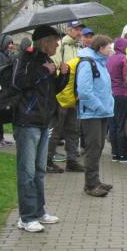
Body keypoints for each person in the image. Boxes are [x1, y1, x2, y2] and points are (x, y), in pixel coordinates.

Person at [11, 25, 69, 232]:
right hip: (27, 122)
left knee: (39, 170)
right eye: (55, 42)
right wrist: (44, 71)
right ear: (44, 42)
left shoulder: (47, 60)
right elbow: (18, 82)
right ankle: (26, 217)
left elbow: (52, 89)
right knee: (27, 171)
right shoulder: (24, 59)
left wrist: (64, 75)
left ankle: (38, 211)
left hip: (44, 121)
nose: (57, 45)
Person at [76, 35, 115, 196]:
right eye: (109, 46)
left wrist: (108, 105)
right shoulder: (87, 63)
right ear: (100, 48)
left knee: (98, 147)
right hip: (92, 113)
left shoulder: (101, 63)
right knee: (93, 148)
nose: (111, 49)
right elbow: (84, 91)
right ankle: (91, 185)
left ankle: (95, 181)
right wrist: (99, 106)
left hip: (102, 112)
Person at [47, 20, 84, 173]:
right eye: (76, 29)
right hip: (61, 94)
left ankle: (72, 160)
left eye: (80, 29)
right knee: (56, 130)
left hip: (74, 95)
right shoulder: (61, 46)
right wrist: (60, 70)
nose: (79, 32)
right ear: (69, 30)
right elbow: (53, 65)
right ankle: (48, 160)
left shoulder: (78, 47)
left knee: (73, 130)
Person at [107, 37, 127, 163]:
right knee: (122, 124)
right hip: (122, 94)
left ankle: (115, 153)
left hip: (110, 94)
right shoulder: (124, 59)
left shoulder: (109, 59)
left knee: (113, 124)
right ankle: (123, 154)